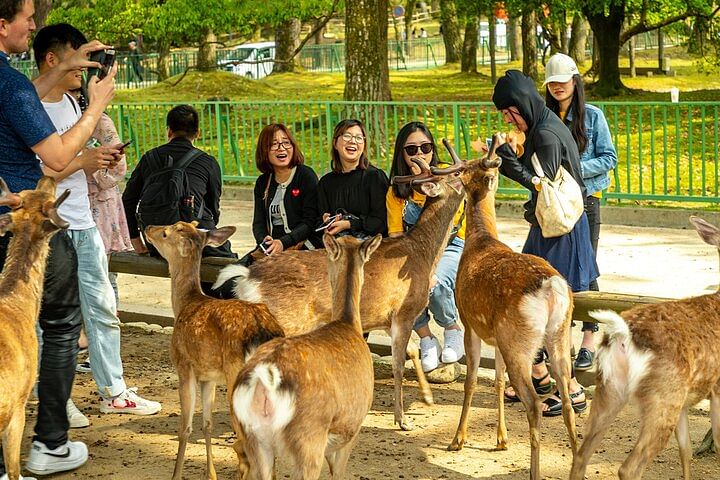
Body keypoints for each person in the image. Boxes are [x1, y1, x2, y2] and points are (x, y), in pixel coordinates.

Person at [0, 0, 116, 476]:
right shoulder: (7, 81)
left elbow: (19, 105)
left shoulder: (10, 84)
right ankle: (49, 441)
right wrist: (97, 108)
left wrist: (64, 68)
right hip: (27, 225)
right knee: (62, 325)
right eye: (27, 17)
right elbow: (56, 153)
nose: (34, 24)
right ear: (2, 23)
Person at [34, 23, 161, 420]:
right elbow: (36, 170)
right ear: (53, 59)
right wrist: (82, 160)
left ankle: (114, 389)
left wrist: (97, 157)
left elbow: (74, 161)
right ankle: (52, 395)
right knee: (54, 318)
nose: (86, 66)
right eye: (80, 57)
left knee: (103, 306)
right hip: (50, 227)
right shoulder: (30, 106)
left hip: (83, 222)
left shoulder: (75, 103)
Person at [491, 69, 599, 417]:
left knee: (553, 308)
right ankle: (538, 375)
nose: (509, 119)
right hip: (549, 226)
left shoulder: (549, 133)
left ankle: (571, 389)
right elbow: (536, 172)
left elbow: (542, 183)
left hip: (561, 233)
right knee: (529, 295)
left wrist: (508, 163)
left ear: (523, 104)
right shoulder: (542, 126)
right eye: (505, 115)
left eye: (511, 113)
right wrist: (513, 156)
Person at [543, 53, 618, 371]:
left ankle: (589, 339)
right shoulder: (545, 119)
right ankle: (560, 342)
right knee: (554, 273)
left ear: (575, 81)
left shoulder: (594, 116)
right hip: (552, 205)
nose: (558, 86)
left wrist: (572, 170)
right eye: (552, 82)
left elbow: (608, 157)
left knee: (586, 269)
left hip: (585, 201)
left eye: (563, 80)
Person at [122, 104, 237, 296]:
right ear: (197, 132)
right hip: (190, 240)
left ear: (169, 130)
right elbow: (213, 207)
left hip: (158, 241)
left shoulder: (149, 158)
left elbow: (128, 200)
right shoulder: (207, 162)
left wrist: (137, 240)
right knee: (228, 261)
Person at [386, 121, 465, 372]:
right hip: (412, 250)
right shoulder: (397, 191)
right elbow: (397, 235)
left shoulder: (449, 176)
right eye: (411, 150)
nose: (419, 154)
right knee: (407, 287)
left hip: (450, 244)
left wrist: (428, 271)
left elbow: (455, 223)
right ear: (402, 154)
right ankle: (426, 338)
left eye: (425, 147)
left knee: (436, 283)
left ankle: (452, 328)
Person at [252, 123, 322, 256]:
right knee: (235, 273)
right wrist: (264, 240)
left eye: (286, 143)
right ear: (264, 150)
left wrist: (283, 242)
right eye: (274, 144)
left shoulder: (305, 175)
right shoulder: (262, 182)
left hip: (303, 245)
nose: (281, 148)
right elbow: (259, 223)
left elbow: (310, 221)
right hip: (272, 247)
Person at [317, 119, 389, 240]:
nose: (353, 141)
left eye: (359, 138)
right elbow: (318, 220)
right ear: (335, 143)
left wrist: (349, 224)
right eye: (347, 136)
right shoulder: (326, 183)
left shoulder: (375, 177)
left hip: (370, 249)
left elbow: (382, 221)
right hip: (338, 248)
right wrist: (326, 222)